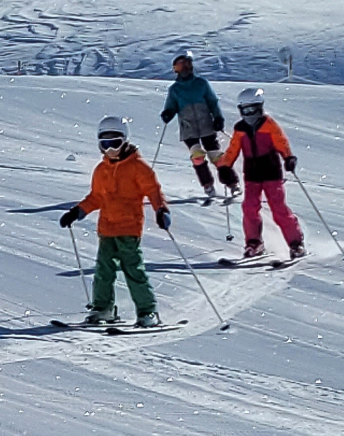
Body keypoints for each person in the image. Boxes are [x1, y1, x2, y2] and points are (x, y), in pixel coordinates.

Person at [59, 116, 171, 327]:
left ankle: (148, 312)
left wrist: (161, 210)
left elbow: (153, 190)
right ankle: (103, 309)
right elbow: (96, 197)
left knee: (133, 271)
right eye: (105, 143)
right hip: (107, 229)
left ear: (125, 140)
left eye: (115, 143)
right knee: (103, 271)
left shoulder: (138, 167)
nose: (110, 149)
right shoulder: (101, 171)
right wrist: (77, 212)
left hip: (129, 228)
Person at [217, 88, 306, 260]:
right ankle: (254, 243)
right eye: (245, 110)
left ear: (260, 108)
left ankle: (296, 244)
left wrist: (288, 157)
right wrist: (225, 167)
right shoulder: (240, 128)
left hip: (272, 172)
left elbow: (281, 142)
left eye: (253, 109)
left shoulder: (269, 124)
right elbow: (233, 149)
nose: (249, 114)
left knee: (278, 209)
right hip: (252, 175)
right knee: (249, 208)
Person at [159, 50, 237, 199]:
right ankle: (207, 185)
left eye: (186, 65)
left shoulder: (201, 83)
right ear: (175, 70)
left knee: (216, 155)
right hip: (188, 127)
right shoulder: (175, 89)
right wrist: (168, 113)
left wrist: (218, 118)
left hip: (205, 124)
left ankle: (232, 183)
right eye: (180, 67)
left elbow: (212, 102)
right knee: (197, 155)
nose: (184, 70)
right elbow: (171, 105)